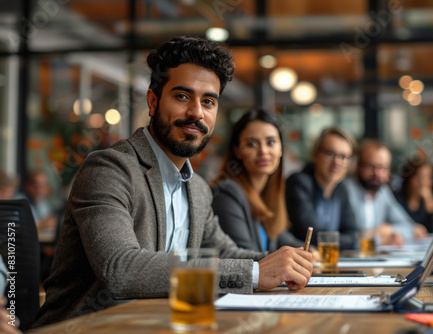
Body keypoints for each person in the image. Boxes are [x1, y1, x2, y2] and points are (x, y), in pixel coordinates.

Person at [32, 36, 312, 328]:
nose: (196, 112)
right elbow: (120, 268)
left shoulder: (198, 188)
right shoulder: (109, 169)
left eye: (208, 101)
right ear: (153, 101)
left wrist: (288, 262)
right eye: (182, 96)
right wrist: (254, 272)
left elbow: (226, 252)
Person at [211, 109, 315, 255]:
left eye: (271, 142)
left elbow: (280, 237)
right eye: (252, 144)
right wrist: (291, 257)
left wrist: (309, 251)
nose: (263, 151)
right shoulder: (226, 192)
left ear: (280, 149)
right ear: (237, 150)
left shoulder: (266, 193)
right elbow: (243, 258)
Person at [286, 127, 358, 249]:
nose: (337, 162)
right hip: (300, 262)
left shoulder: (342, 188)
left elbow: (353, 236)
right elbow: (313, 236)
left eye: (344, 157)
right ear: (315, 154)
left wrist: (346, 240)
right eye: (329, 154)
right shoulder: (298, 183)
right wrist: (343, 240)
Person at [343, 139, 423, 246]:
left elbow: (410, 227)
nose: (376, 173)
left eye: (382, 167)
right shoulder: (345, 190)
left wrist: (389, 230)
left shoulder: (383, 191)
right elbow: (345, 238)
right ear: (357, 166)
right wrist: (378, 238)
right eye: (370, 166)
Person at [396, 159, 433, 233]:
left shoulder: (427, 203)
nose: (423, 182)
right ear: (409, 177)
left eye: (428, 177)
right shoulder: (396, 200)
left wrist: (430, 205)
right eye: (419, 176)